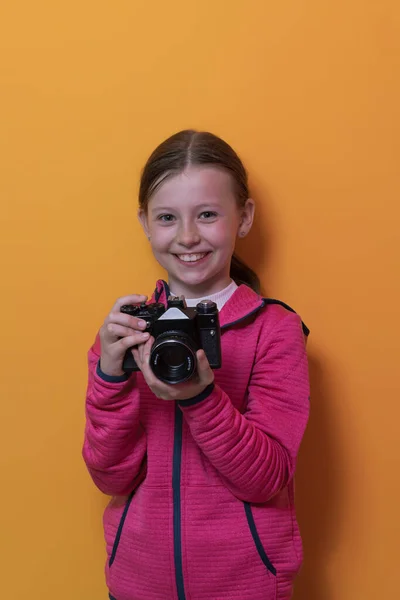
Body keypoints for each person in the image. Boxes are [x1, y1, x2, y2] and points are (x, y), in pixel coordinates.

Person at [83, 130, 310, 600]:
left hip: (245, 586)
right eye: (167, 217)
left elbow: (265, 478)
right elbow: (111, 476)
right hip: (137, 584)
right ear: (146, 223)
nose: (187, 237)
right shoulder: (126, 334)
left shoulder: (276, 330)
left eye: (207, 214)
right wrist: (109, 375)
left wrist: (201, 398)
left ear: (243, 218)